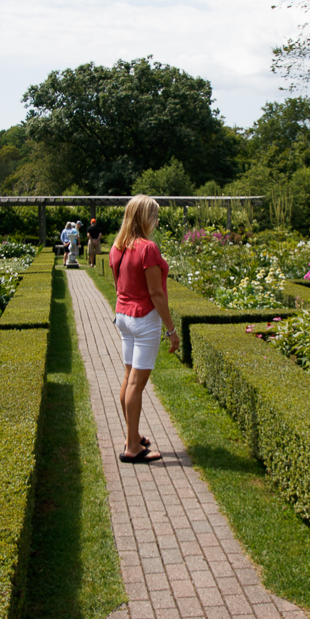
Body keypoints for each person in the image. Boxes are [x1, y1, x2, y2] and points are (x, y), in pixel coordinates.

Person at [110, 194, 178, 463]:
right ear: (144, 217)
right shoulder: (147, 248)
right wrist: (171, 330)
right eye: (154, 216)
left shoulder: (117, 246)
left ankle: (133, 436)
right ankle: (132, 448)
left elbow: (118, 285)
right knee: (136, 384)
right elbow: (156, 293)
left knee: (128, 378)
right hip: (144, 319)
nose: (156, 221)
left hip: (123, 316)